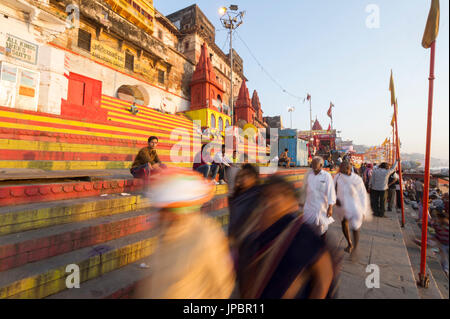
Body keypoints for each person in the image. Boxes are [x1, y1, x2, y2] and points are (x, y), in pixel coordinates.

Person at [133, 168, 235, 298]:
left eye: (164, 210)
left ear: (179, 210)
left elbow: (221, 286)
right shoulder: (166, 230)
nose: (159, 214)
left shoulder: (206, 237)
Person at [237, 176, 338, 299]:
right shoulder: (256, 235)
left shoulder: (302, 234)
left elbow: (324, 277)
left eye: (275, 196)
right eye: (266, 196)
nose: (268, 202)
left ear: (290, 202)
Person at [228, 164, 262, 270]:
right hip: (236, 244)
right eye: (240, 176)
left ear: (254, 178)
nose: (242, 179)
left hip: (253, 244)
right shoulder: (236, 196)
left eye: (246, 176)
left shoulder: (260, 195)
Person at [334, 162, 372, 254]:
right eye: (340, 168)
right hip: (343, 205)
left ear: (348, 168)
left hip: (355, 206)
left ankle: (355, 248)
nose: (340, 170)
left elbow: (363, 195)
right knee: (344, 223)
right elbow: (332, 188)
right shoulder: (338, 177)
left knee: (355, 227)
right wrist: (335, 199)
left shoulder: (357, 179)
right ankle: (349, 243)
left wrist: (363, 210)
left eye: (342, 168)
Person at [301, 156, 336, 238]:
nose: (313, 166)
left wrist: (330, 207)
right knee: (309, 230)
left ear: (321, 165)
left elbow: (331, 192)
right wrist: (302, 202)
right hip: (309, 207)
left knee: (322, 229)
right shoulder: (309, 175)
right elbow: (305, 189)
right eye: (312, 164)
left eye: (315, 164)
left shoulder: (326, 176)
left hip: (321, 208)